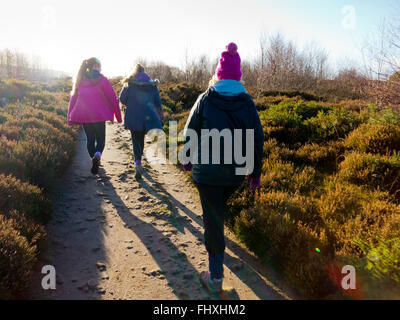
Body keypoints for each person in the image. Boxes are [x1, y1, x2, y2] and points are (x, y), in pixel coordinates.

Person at [182, 42, 264, 293]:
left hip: (206, 174)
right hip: (236, 173)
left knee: (213, 219)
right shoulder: (247, 103)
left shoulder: (205, 99)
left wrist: (187, 158)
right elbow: (257, 138)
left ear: (218, 74)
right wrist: (255, 171)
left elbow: (190, 131)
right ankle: (219, 252)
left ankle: (215, 276)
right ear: (238, 75)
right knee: (218, 211)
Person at [68, 57, 122, 174]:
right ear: (92, 67)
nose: (100, 68)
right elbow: (113, 99)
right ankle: (97, 156)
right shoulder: (103, 80)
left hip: (85, 116)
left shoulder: (80, 81)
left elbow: (73, 100)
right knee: (101, 139)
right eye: (98, 66)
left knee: (90, 139)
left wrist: (70, 117)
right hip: (99, 116)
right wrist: (118, 116)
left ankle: (94, 157)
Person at [119, 64, 164, 180]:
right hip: (148, 118)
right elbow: (158, 103)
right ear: (145, 72)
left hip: (133, 116)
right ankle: (139, 160)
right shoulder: (152, 85)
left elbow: (122, 99)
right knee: (141, 138)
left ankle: (137, 162)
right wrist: (161, 117)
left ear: (135, 72)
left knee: (135, 140)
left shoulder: (129, 83)